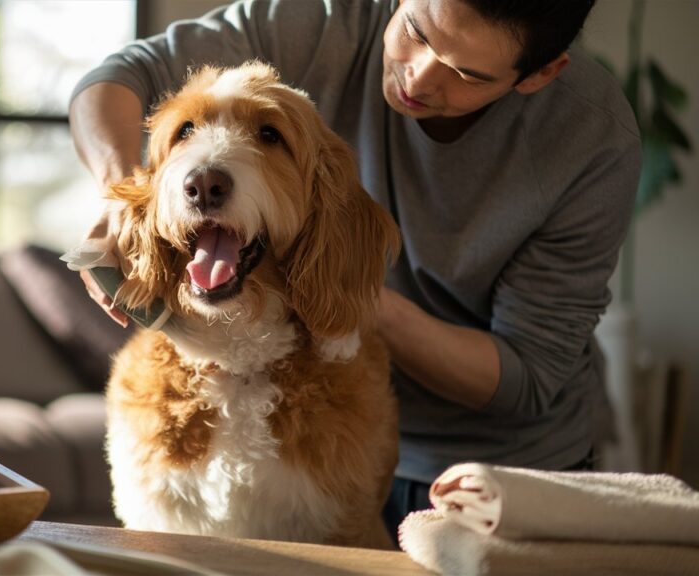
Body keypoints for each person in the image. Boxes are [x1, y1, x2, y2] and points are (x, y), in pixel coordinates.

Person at [68, 0, 641, 542]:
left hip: (497, 470)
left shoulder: (593, 139)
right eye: (415, 30)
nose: (417, 77)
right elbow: (123, 73)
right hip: (339, 410)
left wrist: (341, 287)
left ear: (539, 74)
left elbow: (527, 376)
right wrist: (121, 198)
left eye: (466, 72)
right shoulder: (325, 22)